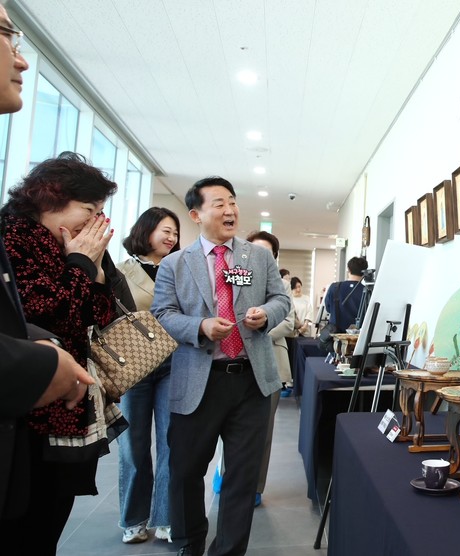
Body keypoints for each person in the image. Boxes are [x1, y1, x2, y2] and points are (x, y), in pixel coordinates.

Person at [151, 176, 290, 556]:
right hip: (198, 381)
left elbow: (281, 299)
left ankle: (228, 551)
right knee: (185, 471)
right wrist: (200, 326)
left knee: (241, 477)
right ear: (196, 214)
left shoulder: (258, 257)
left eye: (232, 201)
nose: (230, 210)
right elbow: (162, 314)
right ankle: (188, 544)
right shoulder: (175, 264)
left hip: (251, 382)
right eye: (219, 204)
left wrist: (267, 314)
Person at [0, 150, 129, 554]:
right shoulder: (14, 238)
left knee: (51, 517)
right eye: (89, 210)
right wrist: (80, 266)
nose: (95, 223)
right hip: (29, 409)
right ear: (50, 198)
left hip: (70, 403)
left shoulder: (74, 246)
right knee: (24, 524)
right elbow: (46, 314)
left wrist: (94, 272)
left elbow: (100, 315)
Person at [115, 207, 181, 544]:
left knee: (171, 441)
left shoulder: (179, 269)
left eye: (175, 233)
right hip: (133, 365)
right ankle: (134, 518)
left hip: (173, 363)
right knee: (133, 445)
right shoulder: (119, 271)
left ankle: (166, 517)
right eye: (165, 231)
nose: (171, 238)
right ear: (146, 230)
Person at [245, 230, 295, 504]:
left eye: (267, 253)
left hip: (271, 360)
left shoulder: (281, 285)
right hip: (235, 361)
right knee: (230, 426)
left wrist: (258, 330)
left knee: (263, 429)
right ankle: (227, 474)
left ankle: (255, 486)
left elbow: (288, 323)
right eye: (254, 250)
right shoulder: (235, 276)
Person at [324, 256, 368, 332]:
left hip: (335, 334)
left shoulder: (334, 287)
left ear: (349, 270)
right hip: (358, 335)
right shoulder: (367, 291)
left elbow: (328, 309)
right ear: (364, 272)